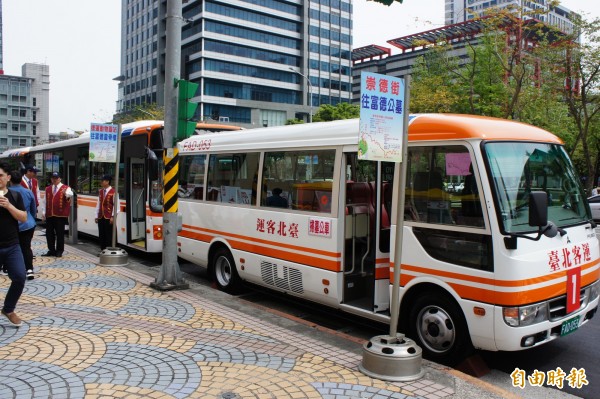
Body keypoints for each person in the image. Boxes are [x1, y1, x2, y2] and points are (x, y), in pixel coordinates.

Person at [0, 163, 28, 327]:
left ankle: (8, 309)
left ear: (8, 177)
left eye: (1, 175)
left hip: (12, 245)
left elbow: (23, 218)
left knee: (19, 276)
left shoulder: (15, 196)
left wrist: (9, 206)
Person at [9, 171, 37, 280]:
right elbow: (33, 209)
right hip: (28, 224)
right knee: (26, 247)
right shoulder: (28, 192)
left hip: (13, 225)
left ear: (9, 179)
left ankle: (10, 268)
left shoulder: (7, 192)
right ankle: (29, 269)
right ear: (21, 180)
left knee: (12, 248)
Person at [43, 172, 73, 258]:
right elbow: (45, 201)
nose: (54, 180)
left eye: (56, 178)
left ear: (60, 179)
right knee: (49, 233)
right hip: (50, 214)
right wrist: (44, 212)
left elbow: (70, 194)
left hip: (60, 215)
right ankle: (51, 250)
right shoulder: (48, 188)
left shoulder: (66, 188)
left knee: (60, 234)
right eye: (53, 178)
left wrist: (65, 194)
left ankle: (59, 250)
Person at [95, 174, 116, 251]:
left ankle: (109, 251)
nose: (101, 182)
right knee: (102, 234)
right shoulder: (100, 191)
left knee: (109, 235)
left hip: (108, 217)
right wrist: (96, 216)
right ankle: (102, 250)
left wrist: (113, 216)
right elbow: (98, 204)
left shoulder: (114, 192)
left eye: (103, 180)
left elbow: (116, 206)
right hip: (101, 216)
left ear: (107, 182)